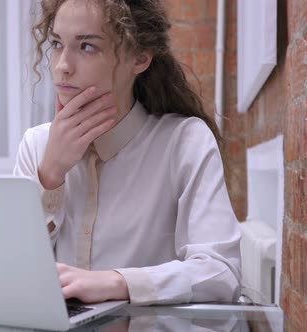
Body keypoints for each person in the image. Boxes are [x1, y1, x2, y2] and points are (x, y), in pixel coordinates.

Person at [13, 0, 241, 305]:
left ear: (140, 58)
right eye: (56, 43)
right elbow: (13, 273)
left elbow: (221, 273)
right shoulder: (36, 146)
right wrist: (50, 177)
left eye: (87, 47)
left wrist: (118, 282)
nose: (61, 66)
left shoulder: (184, 142)